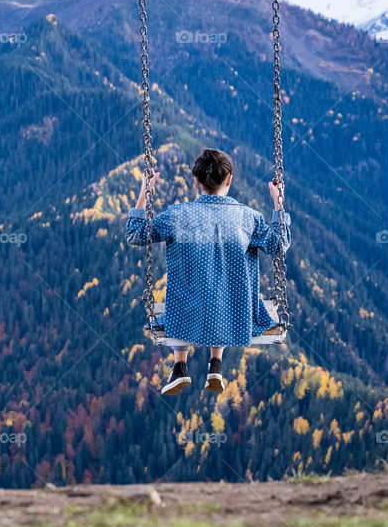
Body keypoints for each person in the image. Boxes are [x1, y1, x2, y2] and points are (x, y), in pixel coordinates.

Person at [124, 148, 291, 396]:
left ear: (196, 181)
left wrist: (144, 194)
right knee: (226, 285)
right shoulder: (248, 218)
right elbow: (280, 243)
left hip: (186, 315)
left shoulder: (177, 215)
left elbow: (135, 235)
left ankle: (180, 366)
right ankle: (216, 364)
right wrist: (278, 202)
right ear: (229, 179)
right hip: (232, 315)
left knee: (187, 290)